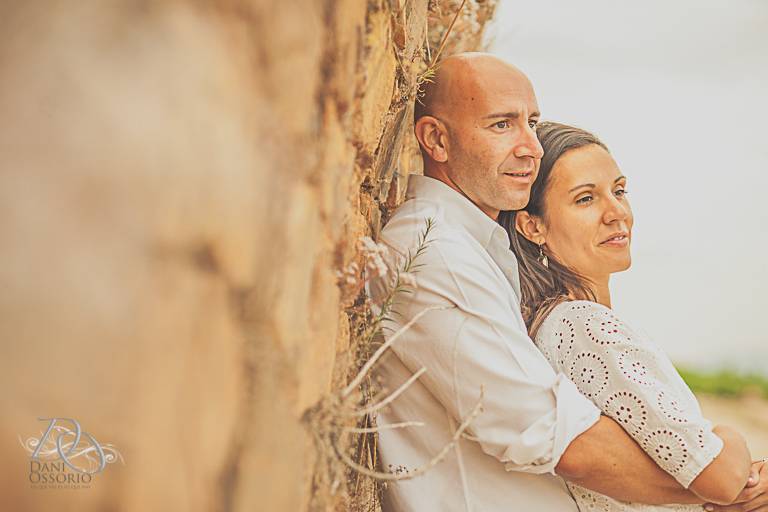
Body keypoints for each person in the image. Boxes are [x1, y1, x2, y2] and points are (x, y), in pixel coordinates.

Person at [368, 52, 761, 511]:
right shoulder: (438, 254)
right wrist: (728, 482)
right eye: (501, 124)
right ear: (437, 139)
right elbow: (555, 437)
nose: (530, 146)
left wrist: (723, 479)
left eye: (531, 122)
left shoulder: (476, 251)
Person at [499, 121, 768, 511]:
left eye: (619, 191)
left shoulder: (555, 324)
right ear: (532, 225)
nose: (616, 213)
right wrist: (729, 436)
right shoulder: (585, 327)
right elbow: (719, 475)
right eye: (585, 199)